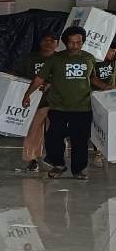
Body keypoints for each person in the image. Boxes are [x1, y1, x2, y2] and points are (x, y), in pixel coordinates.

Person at [27, 26, 110, 180]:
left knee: (80, 140)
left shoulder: (89, 58)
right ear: (65, 43)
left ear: (83, 42)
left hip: (82, 107)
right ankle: (59, 164)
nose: (75, 46)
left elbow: (92, 78)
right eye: (72, 43)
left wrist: (108, 88)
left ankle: (79, 170)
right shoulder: (55, 59)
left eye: (79, 42)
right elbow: (39, 78)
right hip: (58, 106)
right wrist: (27, 94)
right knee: (53, 137)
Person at [12, 32, 59, 173]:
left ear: (57, 44)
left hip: (56, 102)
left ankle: (56, 159)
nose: (49, 42)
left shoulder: (60, 59)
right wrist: (0, 76)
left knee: (56, 133)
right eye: (46, 40)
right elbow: (17, 74)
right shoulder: (30, 58)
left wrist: (51, 84)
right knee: (32, 132)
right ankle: (32, 160)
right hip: (35, 102)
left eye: (52, 40)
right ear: (40, 42)